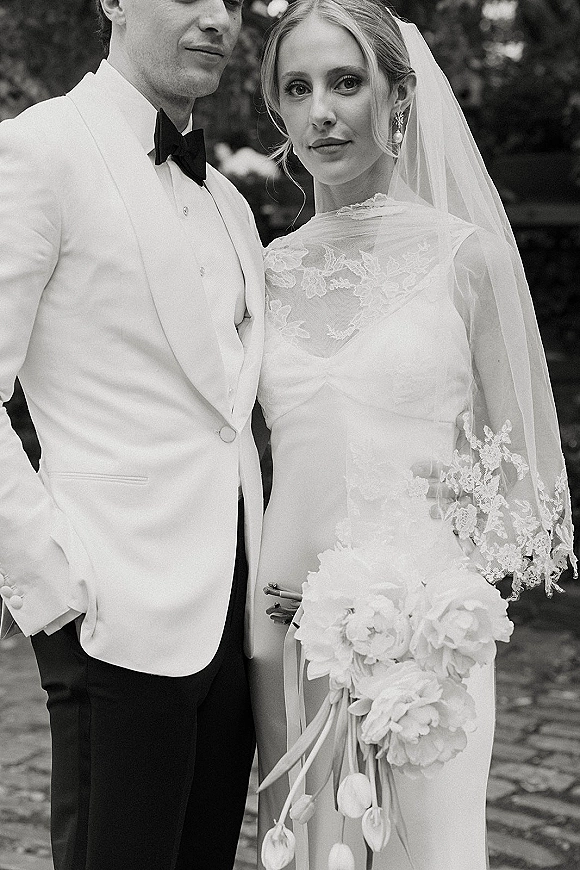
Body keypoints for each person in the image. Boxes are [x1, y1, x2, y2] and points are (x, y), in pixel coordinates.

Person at [250, 1, 576, 868]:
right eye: (298, 87)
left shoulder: (468, 258)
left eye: (347, 82)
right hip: (280, 637)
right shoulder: (266, 269)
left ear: (399, 97)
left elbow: (526, 485)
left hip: (423, 647)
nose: (321, 109)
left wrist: (428, 594)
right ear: (278, 113)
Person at [0, 0, 265, 867]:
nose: (216, 18)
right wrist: (52, 584)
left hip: (236, 615)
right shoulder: (40, 150)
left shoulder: (227, 198)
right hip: (110, 607)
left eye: (228, 0)